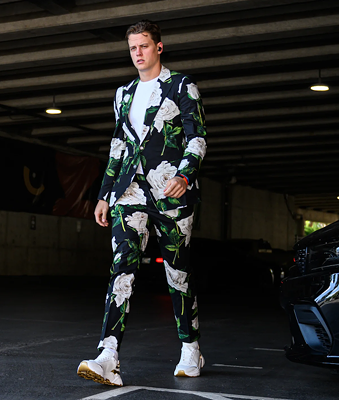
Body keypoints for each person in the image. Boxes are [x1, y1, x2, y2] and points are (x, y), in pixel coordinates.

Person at [77, 20, 207, 387]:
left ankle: (190, 347)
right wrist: (104, 194)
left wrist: (184, 176)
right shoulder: (123, 93)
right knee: (122, 269)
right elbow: (119, 146)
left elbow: (197, 138)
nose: (138, 52)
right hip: (129, 193)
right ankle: (108, 355)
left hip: (171, 190)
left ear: (159, 47)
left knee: (177, 273)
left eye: (144, 46)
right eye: (133, 47)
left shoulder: (182, 86)